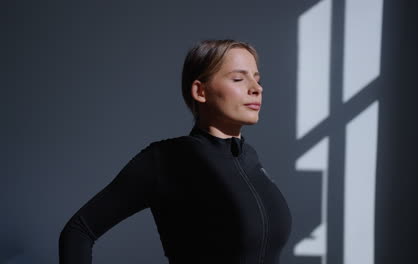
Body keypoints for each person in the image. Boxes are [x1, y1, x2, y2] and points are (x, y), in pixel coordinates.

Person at [59, 39, 292, 264]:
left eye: (257, 78)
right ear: (200, 91)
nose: (256, 88)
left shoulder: (249, 158)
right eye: (239, 78)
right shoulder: (168, 159)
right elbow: (79, 231)